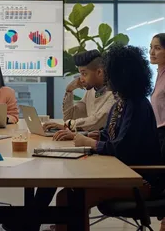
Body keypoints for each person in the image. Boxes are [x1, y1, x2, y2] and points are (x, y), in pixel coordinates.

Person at [54, 44, 164, 231]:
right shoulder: (122, 102)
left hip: (139, 179)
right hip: (123, 172)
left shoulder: (136, 106)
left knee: (70, 197)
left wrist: (89, 142)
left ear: (120, 75)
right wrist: (91, 135)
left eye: (109, 72)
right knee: (67, 196)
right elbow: (109, 134)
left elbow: (122, 149)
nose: (106, 77)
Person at [43, 50, 115, 141]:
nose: (81, 79)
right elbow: (70, 117)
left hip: (107, 149)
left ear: (99, 72)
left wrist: (66, 126)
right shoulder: (91, 91)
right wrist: (69, 91)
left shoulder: (114, 94)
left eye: (84, 74)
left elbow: (96, 121)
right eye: (80, 73)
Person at [150, 33, 165, 231]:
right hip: (159, 133)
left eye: (158, 48)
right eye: (151, 47)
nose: (152, 52)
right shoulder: (159, 74)